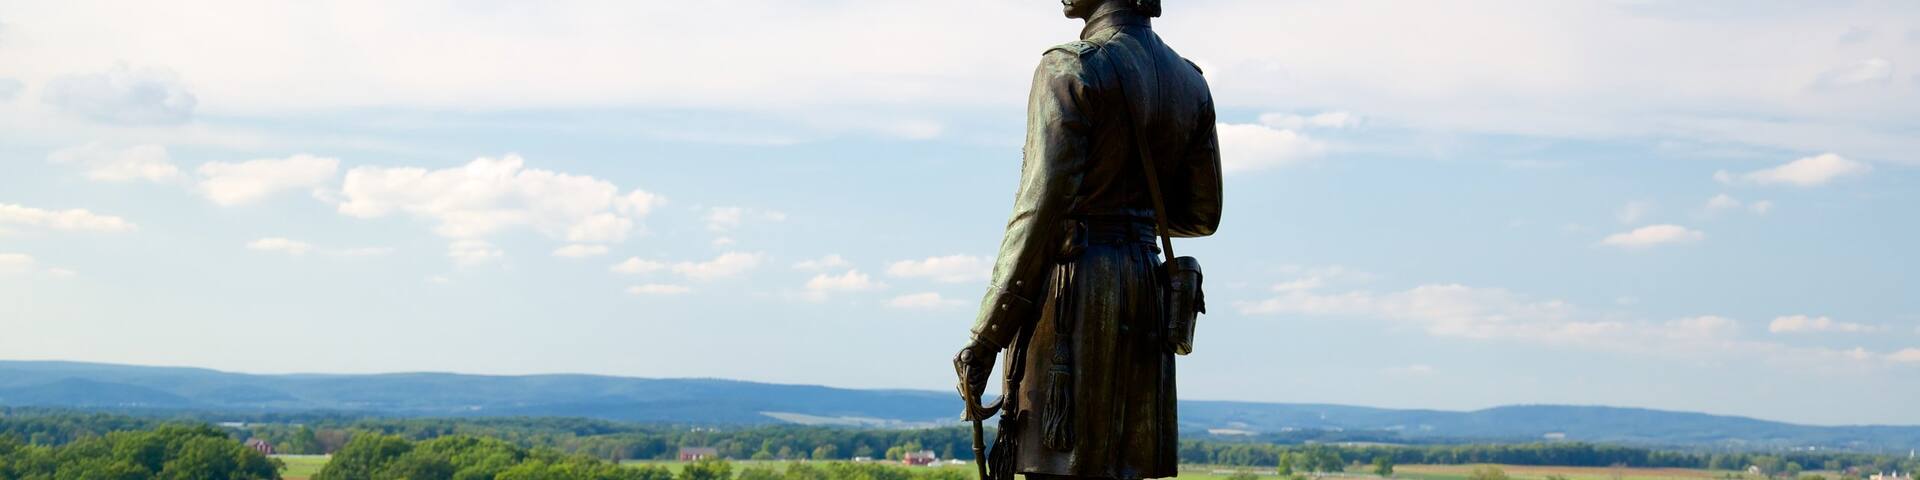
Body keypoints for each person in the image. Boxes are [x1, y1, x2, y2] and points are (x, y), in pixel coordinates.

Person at [954, 0, 1223, 479]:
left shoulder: (1069, 66)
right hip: (1145, 293)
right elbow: (1201, 214)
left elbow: (1038, 209)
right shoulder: (1191, 82)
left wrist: (986, 335)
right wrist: (1132, 212)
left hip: (1073, 295)